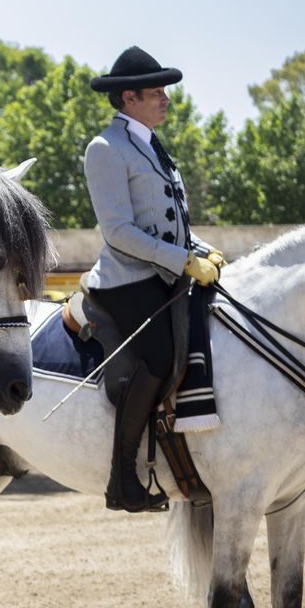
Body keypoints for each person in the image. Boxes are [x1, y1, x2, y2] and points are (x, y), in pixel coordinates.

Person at [83, 46, 222, 514]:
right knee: (161, 356)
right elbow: (119, 232)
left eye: (164, 91)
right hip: (125, 279)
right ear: (130, 97)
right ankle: (123, 478)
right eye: (157, 91)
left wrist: (201, 249)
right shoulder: (105, 149)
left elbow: (172, 222)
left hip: (165, 270)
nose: (166, 98)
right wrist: (184, 261)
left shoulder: (152, 144)